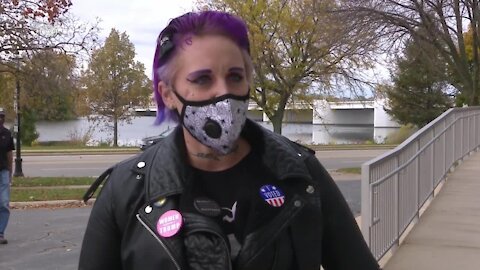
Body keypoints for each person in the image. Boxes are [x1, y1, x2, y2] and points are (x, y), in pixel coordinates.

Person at [79, 10, 379, 270]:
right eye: (202, 79)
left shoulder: (299, 175)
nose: (223, 93)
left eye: (235, 76)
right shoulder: (127, 189)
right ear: (168, 93)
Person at [0, 108, 14, 245]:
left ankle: (0, 233)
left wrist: (11, 172)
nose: (0, 119)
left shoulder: (6, 134)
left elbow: (10, 154)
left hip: (3, 172)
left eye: (2, 117)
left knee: (3, 203)